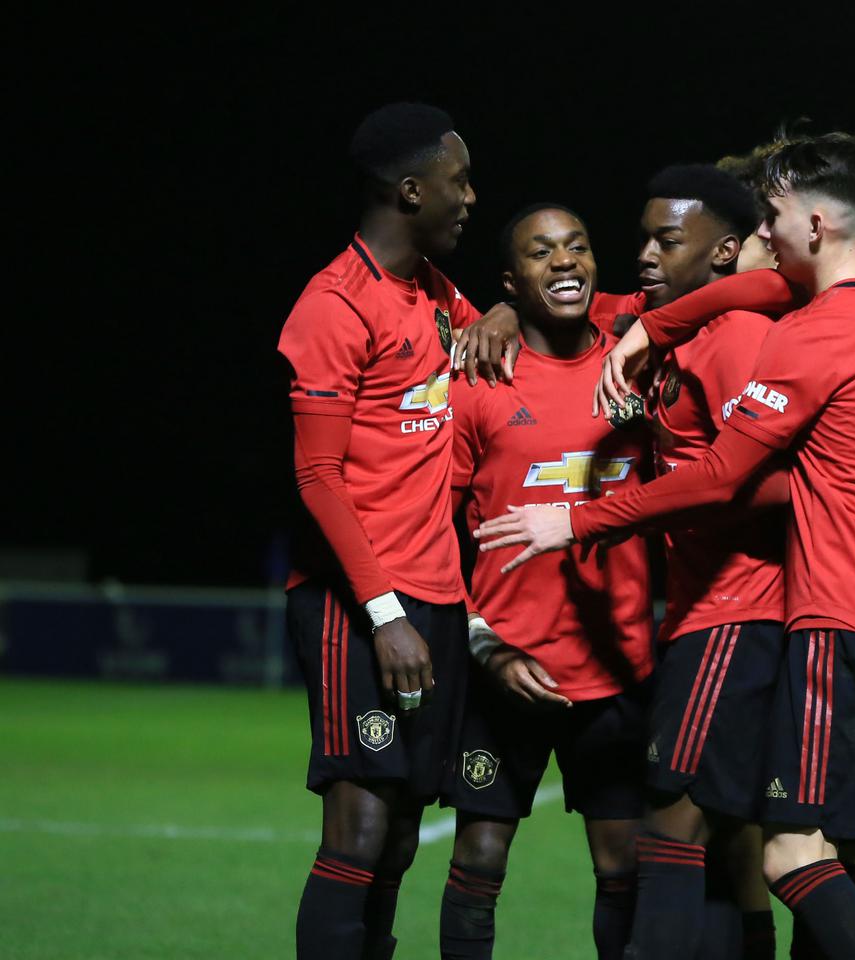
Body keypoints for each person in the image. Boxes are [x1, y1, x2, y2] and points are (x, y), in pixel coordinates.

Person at [475, 131, 855, 960]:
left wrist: (573, 520)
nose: (769, 231)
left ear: (813, 226)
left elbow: (727, 473)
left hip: (803, 614)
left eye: (774, 215)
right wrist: (519, 310)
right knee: (812, 842)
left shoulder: (792, 334)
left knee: (760, 840)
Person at [277, 101, 479, 960]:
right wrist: (384, 612)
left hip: (434, 597)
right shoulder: (332, 305)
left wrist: (503, 316)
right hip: (358, 606)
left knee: (399, 835)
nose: (470, 198)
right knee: (357, 830)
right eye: (458, 181)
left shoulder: (436, 294)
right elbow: (318, 475)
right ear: (409, 190)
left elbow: (525, 343)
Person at [440, 204, 654, 960]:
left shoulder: (639, 367)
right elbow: (437, 533)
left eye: (578, 247)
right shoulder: (477, 383)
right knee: (479, 859)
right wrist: (482, 643)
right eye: (541, 253)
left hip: (620, 669)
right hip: (508, 669)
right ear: (510, 279)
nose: (564, 262)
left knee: (623, 864)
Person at [613, 164, 786, 960]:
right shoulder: (676, 325)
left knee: (673, 818)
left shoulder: (736, 338)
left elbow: (776, 482)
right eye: (644, 235)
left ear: (723, 255)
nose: (646, 253)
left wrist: (683, 494)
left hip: (736, 607)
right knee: (730, 836)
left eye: (666, 239)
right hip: (702, 608)